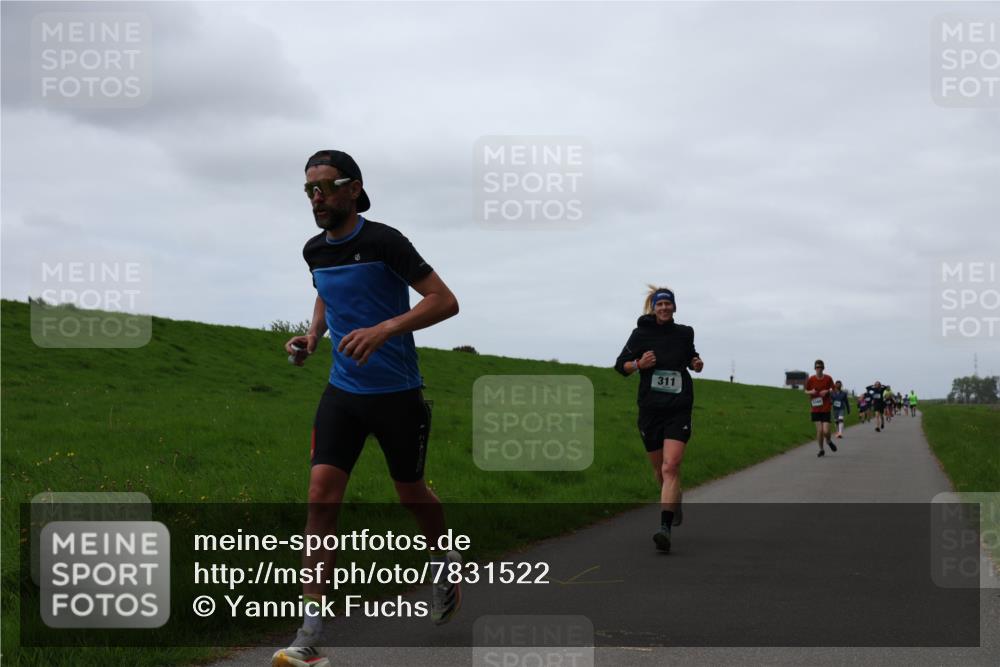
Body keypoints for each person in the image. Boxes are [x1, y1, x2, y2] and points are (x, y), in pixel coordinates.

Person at [274, 150, 461, 667]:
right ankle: (310, 634)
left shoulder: (384, 241)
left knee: (410, 492)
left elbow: (444, 300)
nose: (317, 196)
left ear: (353, 188)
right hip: (342, 393)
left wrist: (385, 329)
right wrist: (313, 338)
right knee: (320, 498)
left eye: (327, 186)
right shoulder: (314, 250)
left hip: (397, 394)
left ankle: (443, 558)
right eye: (309, 188)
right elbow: (326, 297)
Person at [615, 286, 704, 553]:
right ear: (653, 308)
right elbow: (620, 366)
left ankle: (664, 528)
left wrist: (696, 362)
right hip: (651, 410)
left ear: (674, 307)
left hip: (678, 407)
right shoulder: (640, 334)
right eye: (660, 304)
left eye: (668, 304)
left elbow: (690, 356)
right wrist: (638, 365)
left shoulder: (684, 333)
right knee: (659, 471)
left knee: (670, 467)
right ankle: (673, 501)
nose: (664, 308)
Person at [805, 360, 836, 456]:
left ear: (823, 368)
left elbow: (834, 389)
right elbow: (806, 391)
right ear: (815, 368)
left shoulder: (828, 378)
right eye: (817, 367)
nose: (819, 369)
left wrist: (827, 391)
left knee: (826, 431)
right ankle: (821, 449)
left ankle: (829, 441)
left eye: (821, 367)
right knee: (820, 431)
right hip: (815, 409)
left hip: (826, 408)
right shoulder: (811, 379)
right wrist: (811, 392)